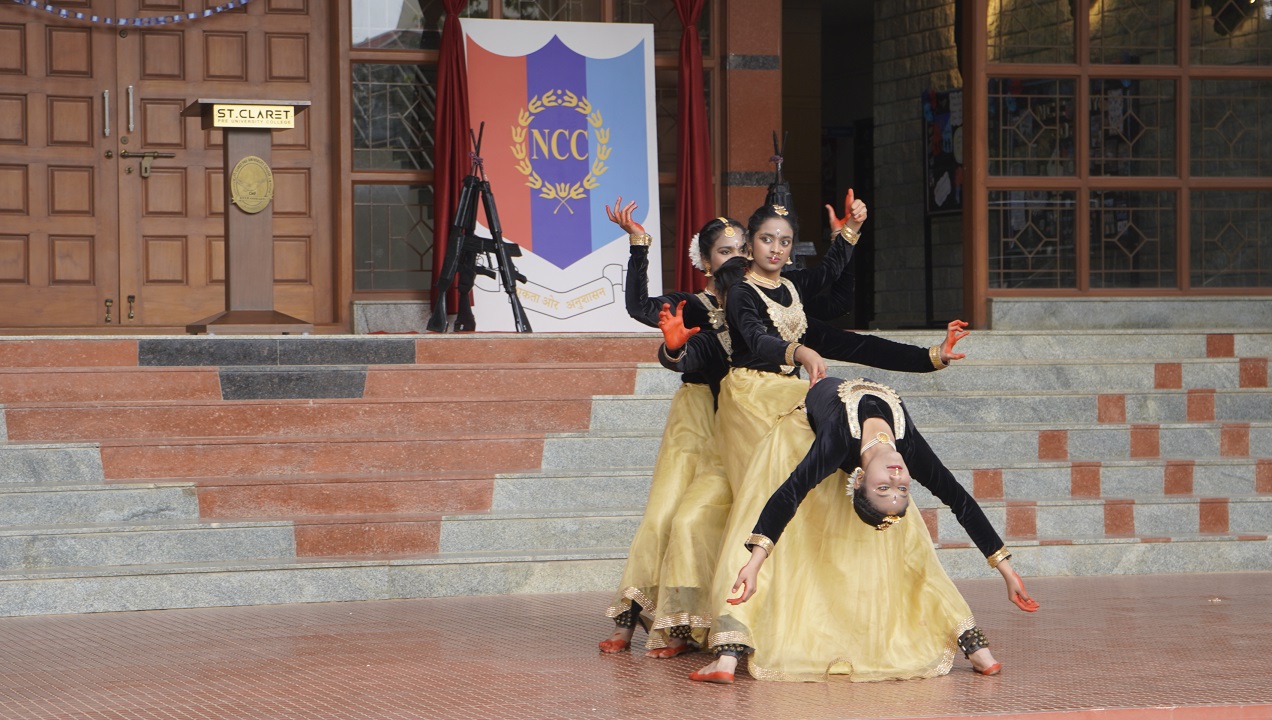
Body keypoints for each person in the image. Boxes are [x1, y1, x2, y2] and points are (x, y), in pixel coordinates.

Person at [646, 196, 968, 656]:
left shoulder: (791, 300)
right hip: (747, 407)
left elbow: (855, 344)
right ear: (749, 249)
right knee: (757, 497)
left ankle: (854, 614)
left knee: (833, 480)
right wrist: (678, 348)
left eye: (785, 241)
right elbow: (748, 340)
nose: (776, 249)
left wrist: (932, 356)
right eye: (766, 240)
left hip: (787, 397)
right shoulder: (738, 301)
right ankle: (737, 628)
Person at [690, 376, 1040, 684]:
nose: (897, 478)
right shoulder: (907, 449)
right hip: (800, 430)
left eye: (885, 487)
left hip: (799, 438)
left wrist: (754, 562)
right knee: (782, 533)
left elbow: (789, 493)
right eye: (900, 488)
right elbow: (960, 499)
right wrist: (1007, 570)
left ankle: (727, 657)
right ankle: (729, 653)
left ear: (858, 479)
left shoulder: (837, 443)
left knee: (908, 545)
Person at [598, 198, 746, 654]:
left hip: (743, 420)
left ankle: (692, 623)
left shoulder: (757, 300)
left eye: (741, 249)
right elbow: (640, 306)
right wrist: (639, 244)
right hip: (696, 418)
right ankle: (631, 620)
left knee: (706, 521)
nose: (735, 257)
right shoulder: (690, 304)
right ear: (705, 261)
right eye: (725, 251)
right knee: (664, 516)